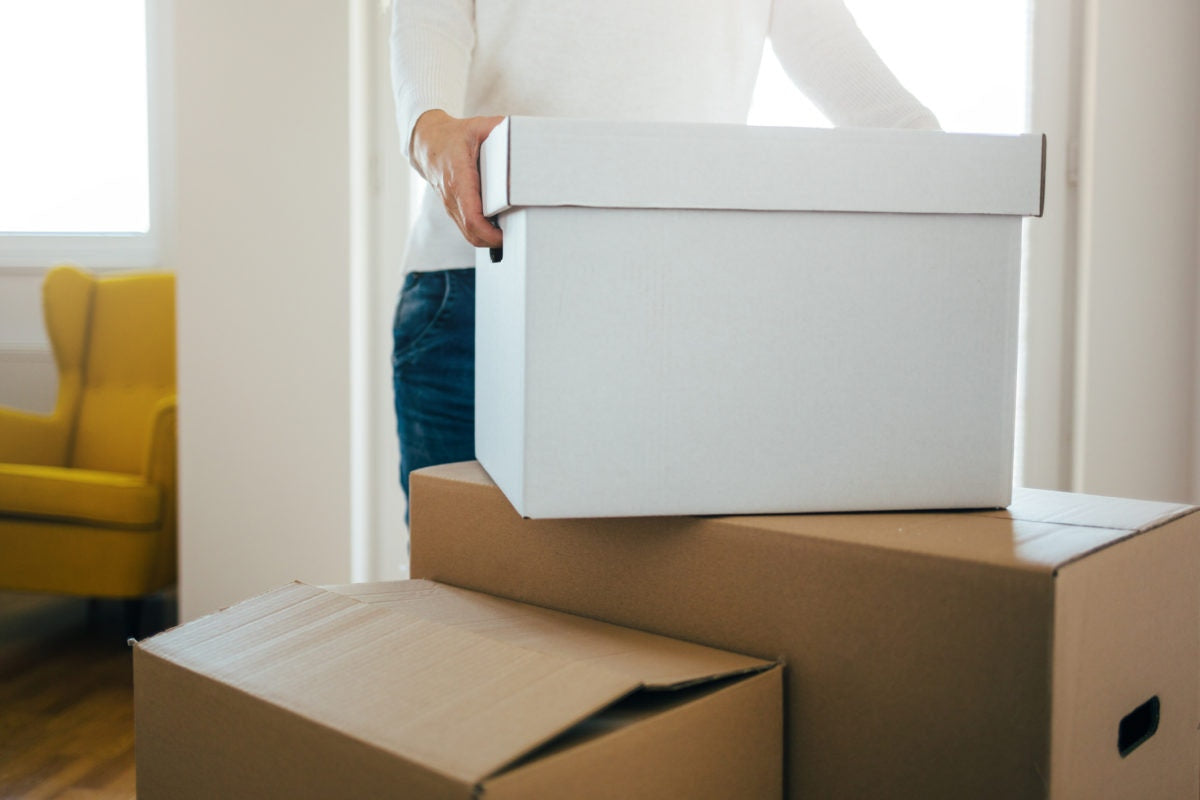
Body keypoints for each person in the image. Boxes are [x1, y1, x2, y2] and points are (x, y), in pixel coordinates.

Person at [390, 0, 939, 507]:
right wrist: (428, 129)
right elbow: (430, 19)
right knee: (459, 585)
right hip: (482, 283)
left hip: (676, 304)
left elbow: (863, 89)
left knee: (643, 593)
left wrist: (955, 181)